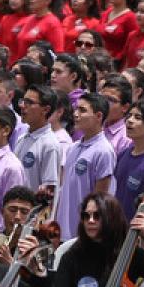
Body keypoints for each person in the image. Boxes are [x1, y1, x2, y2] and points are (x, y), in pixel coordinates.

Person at [56, 92, 116, 240]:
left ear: (98, 116)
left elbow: (100, 198)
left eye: (82, 110)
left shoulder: (103, 151)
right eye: (75, 109)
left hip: (84, 233)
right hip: (63, 229)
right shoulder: (73, 147)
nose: (76, 114)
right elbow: (63, 189)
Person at [13, 85, 63, 198]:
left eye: (29, 102)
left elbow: (49, 191)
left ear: (45, 110)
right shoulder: (22, 138)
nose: (22, 106)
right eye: (23, 101)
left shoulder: (49, 144)